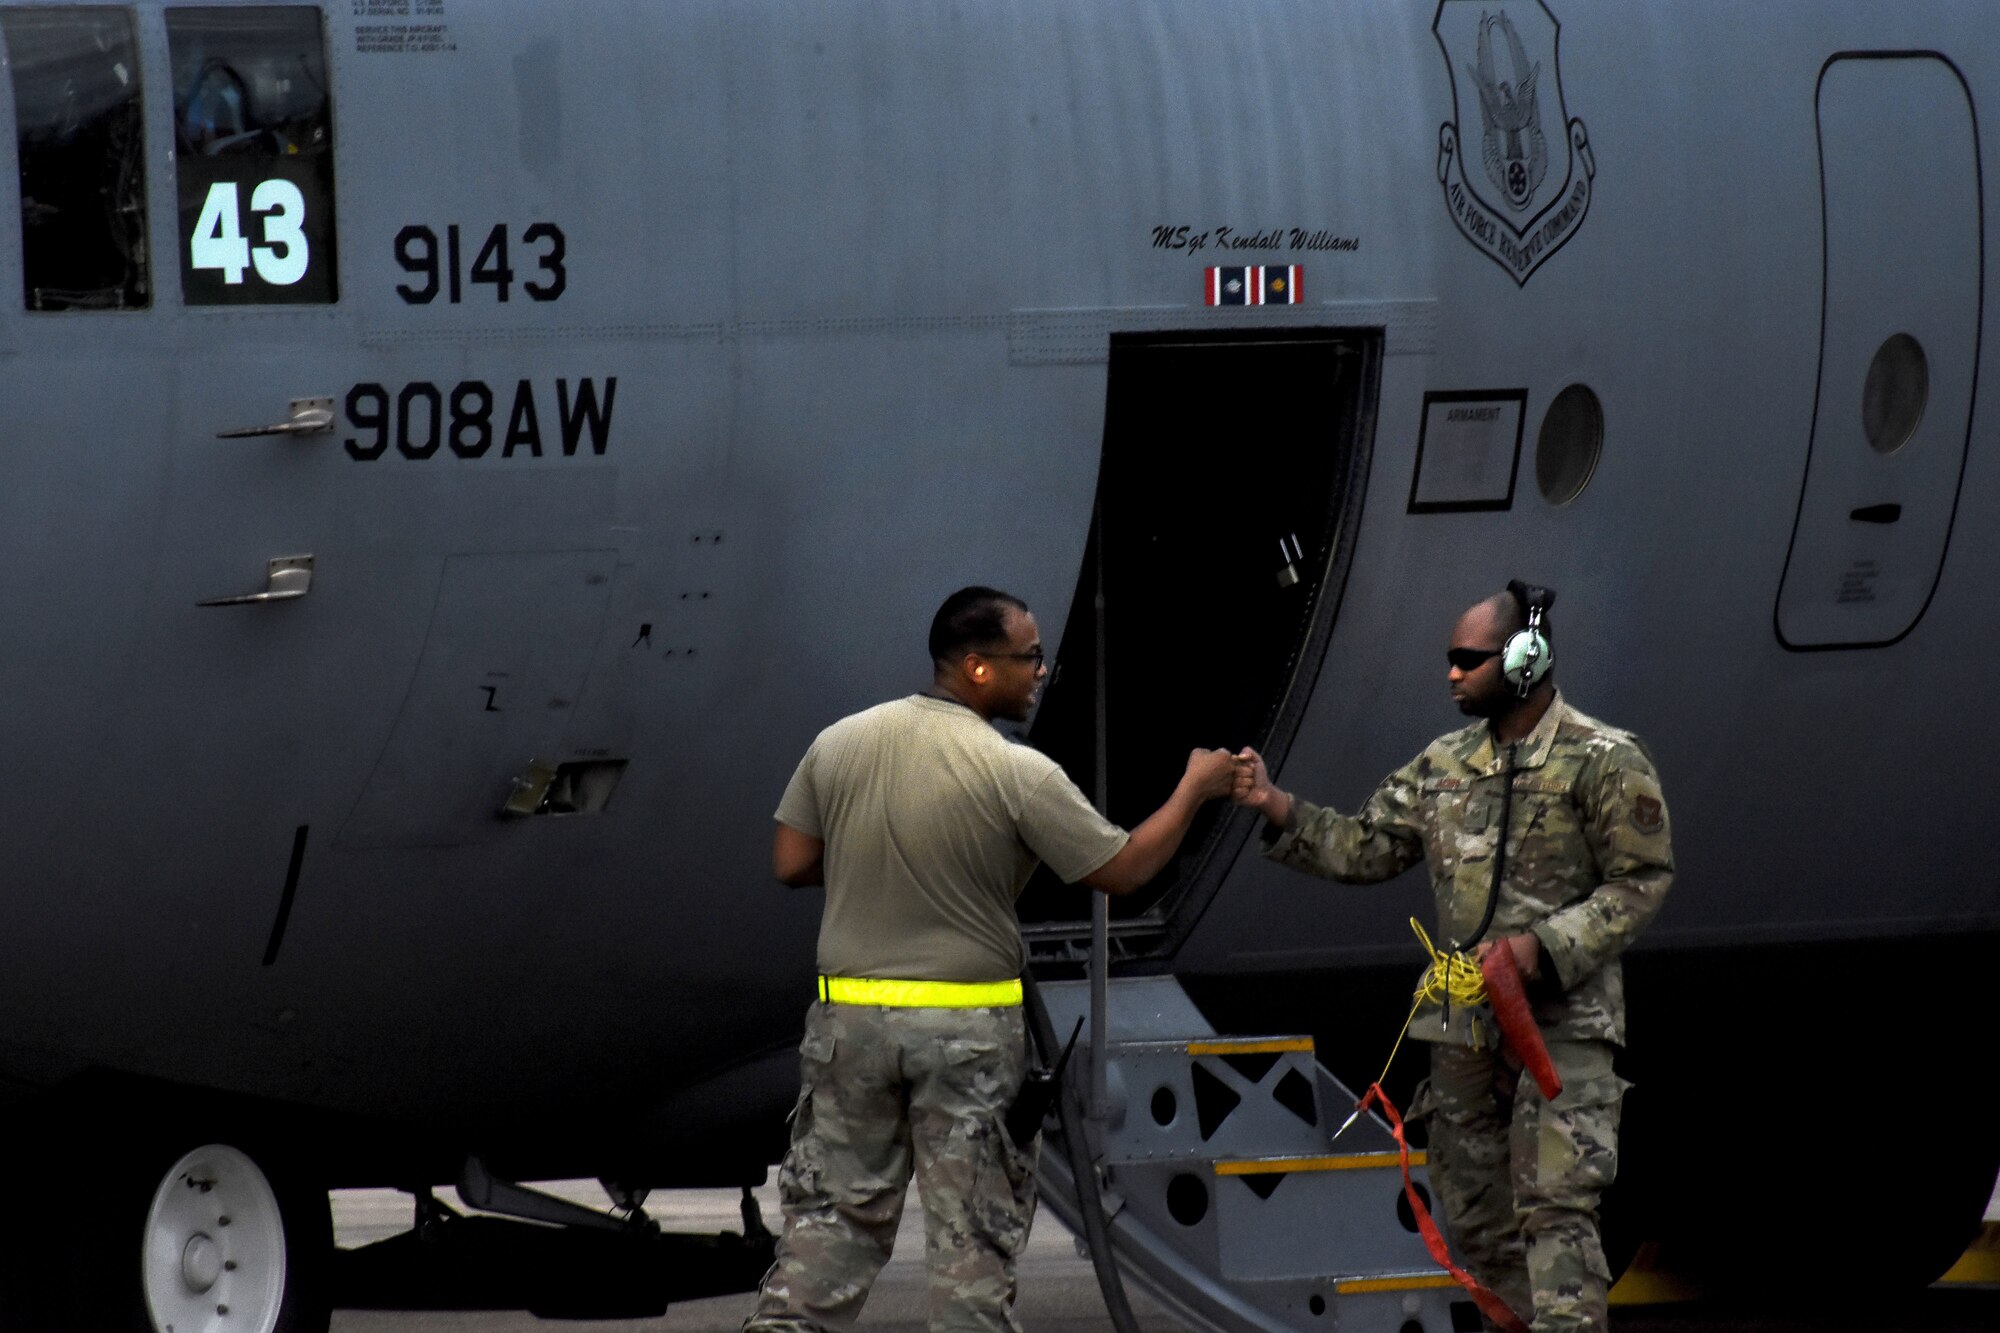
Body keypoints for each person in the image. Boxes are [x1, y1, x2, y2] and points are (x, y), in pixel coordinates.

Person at [745, 585, 1238, 1332]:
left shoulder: (840, 741)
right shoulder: (1015, 771)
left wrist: (879, 864)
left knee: (829, 1230)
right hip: (965, 1036)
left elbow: (791, 860)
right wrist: (1195, 788)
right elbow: (1125, 869)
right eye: (1029, 656)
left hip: (851, 1029)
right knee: (970, 1247)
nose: (1041, 670)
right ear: (977, 667)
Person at [1231, 584, 1673, 1333]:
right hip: (1463, 1027)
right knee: (1470, 1212)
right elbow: (1367, 846)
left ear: (1525, 657)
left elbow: (1642, 879)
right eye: (1450, 661)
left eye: (1468, 660)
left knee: (1557, 1206)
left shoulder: (1602, 758)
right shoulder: (1443, 763)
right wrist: (1278, 806)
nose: (1452, 675)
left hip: (1561, 1026)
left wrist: (1549, 946)